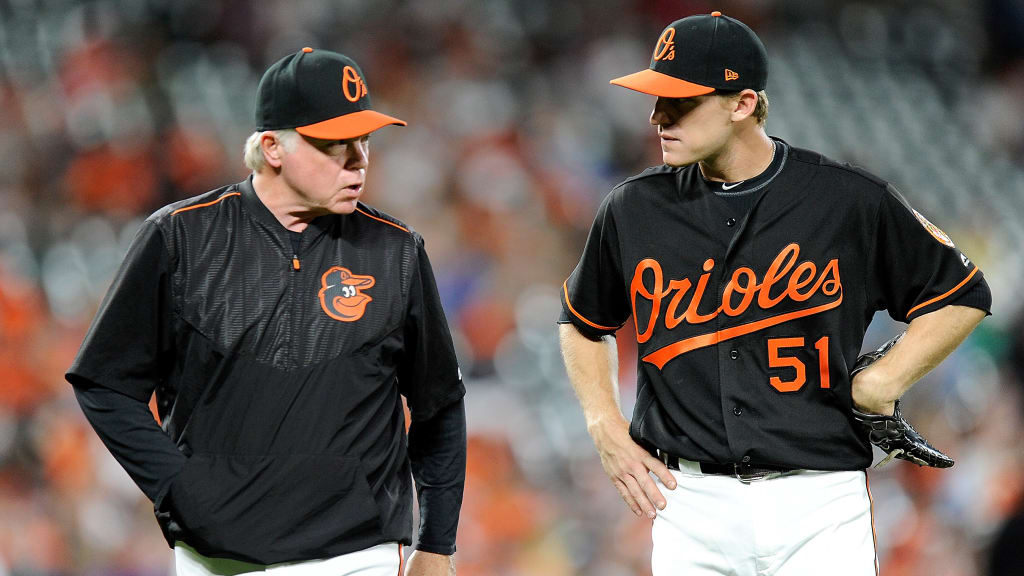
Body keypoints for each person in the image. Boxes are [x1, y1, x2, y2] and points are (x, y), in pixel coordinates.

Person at [558, 11, 991, 575]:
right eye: (657, 98)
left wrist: (883, 380)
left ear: (742, 104)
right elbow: (582, 322)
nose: (658, 115)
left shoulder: (844, 200)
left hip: (819, 502)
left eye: (681, 101)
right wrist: (603, 422)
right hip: (691, 505)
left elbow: (961, 292)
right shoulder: (633, 208)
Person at [67, 47, 465, 576]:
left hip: (359, 555)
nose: (358, 160)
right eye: (334, 144)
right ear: (273, 147)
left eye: (364, 139)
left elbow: (439, 405)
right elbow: (105, 382)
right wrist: (178, 487)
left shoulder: (395, 251)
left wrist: (436, 544)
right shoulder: (182, 237)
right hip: (219, 560)